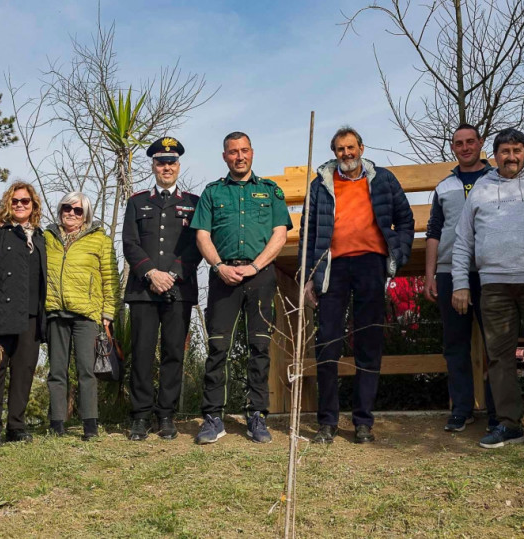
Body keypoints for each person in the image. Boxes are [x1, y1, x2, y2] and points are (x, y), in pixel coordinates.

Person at [452, 128, 524, 449]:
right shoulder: (481, 189)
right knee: (499, 357)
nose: (511, 157)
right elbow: (463, 240)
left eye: (517, 150)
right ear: (495, 154)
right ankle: (509, 424)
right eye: (505, 151)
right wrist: (461, 283)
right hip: (494, 286)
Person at [301, 126, 415, 444]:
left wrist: (399, 253)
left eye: (351, 148)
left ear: (361, 148)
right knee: (327, 343)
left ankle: (363, 422)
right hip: (332, 267)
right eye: (340, 149)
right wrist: (308, 278)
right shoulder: (321, 185)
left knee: (369, 342)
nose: (346, 154)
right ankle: (327, 423)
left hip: (370, 264)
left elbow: (405, 219)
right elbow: (308, 233)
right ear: (334, 152)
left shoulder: (383, 180)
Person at [190, 131, 292, 444]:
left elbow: (279, 234)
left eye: (244, 150)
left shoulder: (270, 191)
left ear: (252, 153)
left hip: (259, 274)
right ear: (224, 156)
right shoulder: (212, 193)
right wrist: (220, 266)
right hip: (223, 276)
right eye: (233, 152)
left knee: (259, 346)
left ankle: (257, 416)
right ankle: (212, 418)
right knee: (218, 347)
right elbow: (202, 236)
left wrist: (255, 266)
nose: (239, 156)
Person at [122, 137, 202, 441]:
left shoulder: (194, 203)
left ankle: (166, 415)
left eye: (171, 162)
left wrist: (172, 274)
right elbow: (129, 242)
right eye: (160, 162)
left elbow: (198, 244)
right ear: (153, 166)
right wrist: (151, 273)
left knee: (173, 354)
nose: (166, 167)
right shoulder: (137, 201)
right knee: (141, 353)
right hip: (144, 289)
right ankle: (140, 416)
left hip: (178, 289)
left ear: (178, 166)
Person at [424, 124, 497, 433]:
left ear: (480, 143)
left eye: (471, 141)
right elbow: (434, 231)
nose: (465, 147)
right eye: (459, 143)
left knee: (497, 345)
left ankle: (499, 412)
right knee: (455, 345)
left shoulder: (499, 179)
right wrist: (429, 273)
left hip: (492, 271)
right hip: (449, 272)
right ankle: (462, 409)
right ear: (452, 148)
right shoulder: (444, 187)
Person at [0, 182, 47, 446]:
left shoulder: (39, 236)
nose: (20, 205)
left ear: (33, 205)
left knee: (24, 371)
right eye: (15, 201)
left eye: (25, 201)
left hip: (31, 316)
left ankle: (17, 426)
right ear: (7, 203)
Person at [45, 192, 119, 441]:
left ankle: (90, 424)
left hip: (87, 314)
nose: (71, 213)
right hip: (55, 310)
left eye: (78, 210)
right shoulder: (47, 237)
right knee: (57, 371)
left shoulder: (100, 240)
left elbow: (110, 278)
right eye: (67, 208)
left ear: (86, 214)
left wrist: (108, 311)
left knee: (87, 370)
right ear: (60, 209)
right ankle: (56, 424)